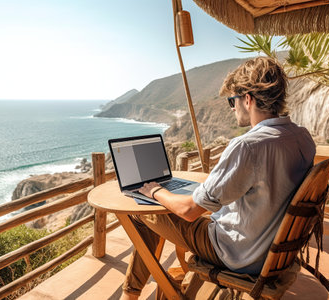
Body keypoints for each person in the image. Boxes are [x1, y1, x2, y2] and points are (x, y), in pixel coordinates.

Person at [120, 56, 316, 300]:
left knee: (142, 214)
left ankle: (130, 295)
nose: (232, 108)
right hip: (273, 251)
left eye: (232, 101)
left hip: (238, 253)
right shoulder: (302, 138)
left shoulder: (249, 146)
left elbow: (190, 210)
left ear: (248, 99)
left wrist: (155, 191)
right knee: (183, 207)